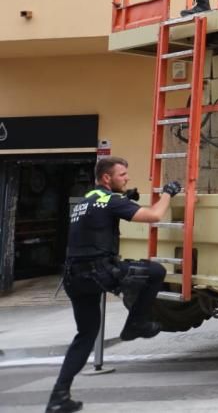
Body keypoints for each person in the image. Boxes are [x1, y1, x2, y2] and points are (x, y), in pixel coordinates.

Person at [46, 157, 180, 413]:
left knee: (85, 334)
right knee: (155, 271)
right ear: (107, 178)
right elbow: (153, 215)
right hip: (100, 272)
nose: (127, 177)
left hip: (74, 278)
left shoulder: (84, 200)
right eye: (123, 174)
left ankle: (58, 396)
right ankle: (135, 324)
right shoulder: (111, 202)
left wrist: (126, 198)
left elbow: (100, 216)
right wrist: (167, 194)